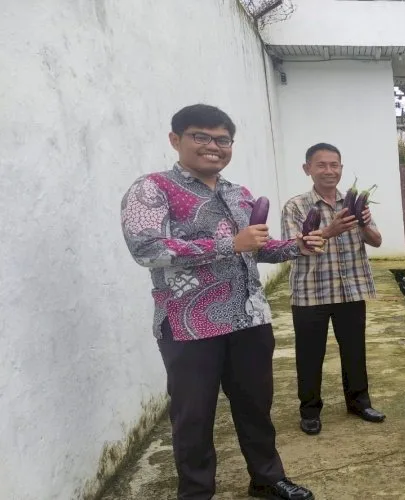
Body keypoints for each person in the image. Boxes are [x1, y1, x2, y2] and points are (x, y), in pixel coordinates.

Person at [120, 104, 320, 500]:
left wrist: (297, 246)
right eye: (201, 137)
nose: (213, 146)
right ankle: (196, 492)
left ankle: (266, 478)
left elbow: (256, 249)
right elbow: (147, 249)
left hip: (249, 320)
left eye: (223, 140)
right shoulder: (152, 188)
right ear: (175, 139)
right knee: (193, 417)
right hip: (189, 325)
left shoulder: (238, 193)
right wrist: (230, 243)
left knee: (256, 408)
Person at [281, 143, 385, 437]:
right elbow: (290, 248)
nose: (329, 170)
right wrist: (329, 231)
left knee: (355, 351)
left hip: (351, 289)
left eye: (334, 165)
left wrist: (363, 224)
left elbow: (376, 240)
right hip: (310, 293)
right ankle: (310, 411)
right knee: (309, 355)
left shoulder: (354, 203)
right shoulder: (296, 206)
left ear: (341, 168)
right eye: (321, 165)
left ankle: (359, 403)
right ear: (308, 169)